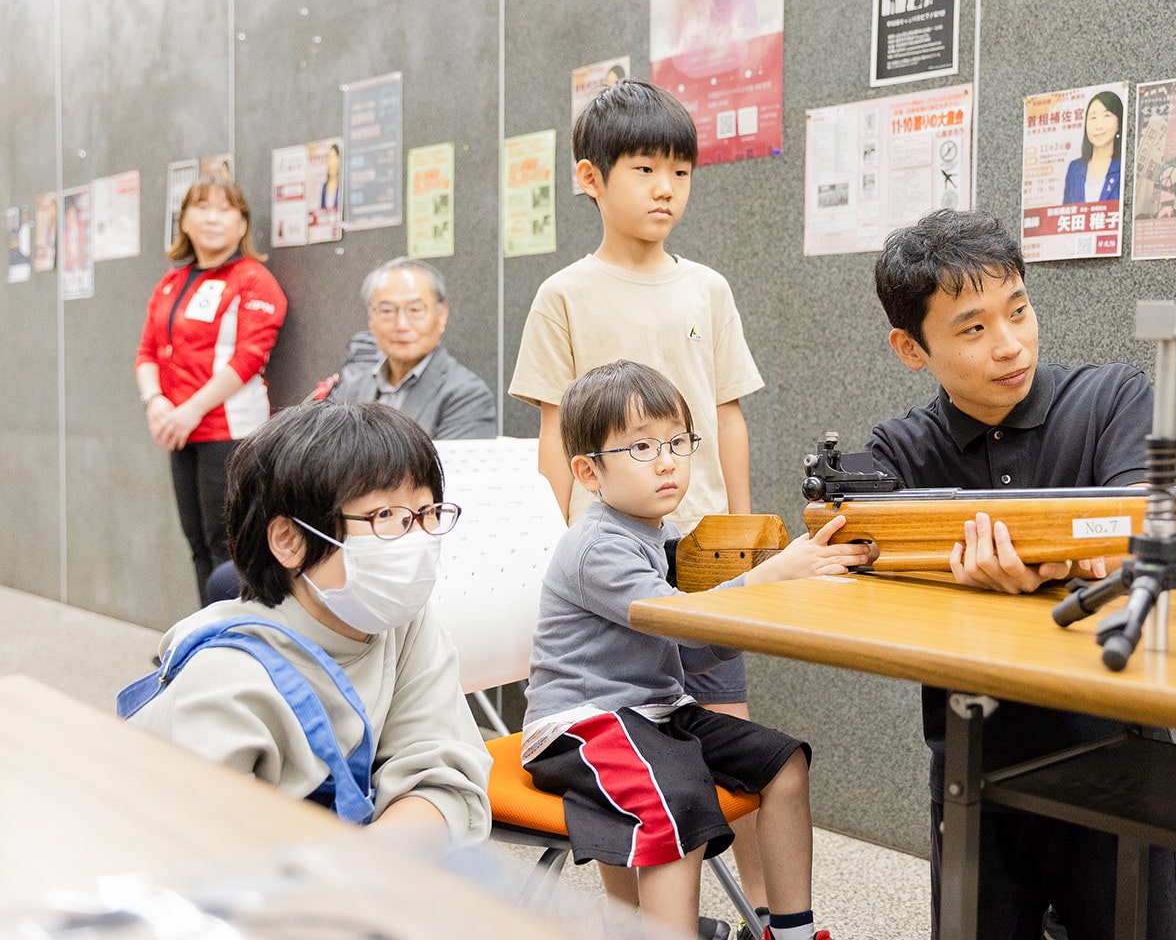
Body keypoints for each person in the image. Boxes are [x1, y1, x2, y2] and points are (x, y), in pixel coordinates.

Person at [865, 209, 1176, 939]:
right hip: (973, 764)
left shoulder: (1110, 399)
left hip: (1118, 751)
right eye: (973, 328)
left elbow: (1138, 534)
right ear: (911, 349)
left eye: (1019, 310)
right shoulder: (899, 453)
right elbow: (854, 563)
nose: (1010, 345)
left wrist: (1046, 565)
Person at [508, 77, 771, 932]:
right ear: (591, 179)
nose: (666, 188)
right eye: (646, 168)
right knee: (635, 745)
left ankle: (769, 912)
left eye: (682, 172)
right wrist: (568, 537)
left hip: (700, 554)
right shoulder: (565, 295)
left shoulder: (709, 289)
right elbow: (554, 430)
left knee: (735, 743)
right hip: (611, 558)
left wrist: (741, 526)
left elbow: (726, 412)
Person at [523, 360, 868, 939]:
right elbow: (682, 624)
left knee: (784, 765)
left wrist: (789, 581)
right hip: (580, 724)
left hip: (653, 714)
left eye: (677, 442)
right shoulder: (597, 547)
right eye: (640, 447)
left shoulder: (659, 535)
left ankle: (790, 931)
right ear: (588, 472)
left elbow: (694, 653)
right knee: (674, 797)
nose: (667, 460)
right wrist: (773, 577)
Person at [121, 401, 492, 847]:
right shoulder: (226, 681)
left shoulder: (402, 622)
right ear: (289, 540)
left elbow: (443, 774)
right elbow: (194, 858)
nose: (414, 541)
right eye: (384, 517)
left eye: (426, 513)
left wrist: (365, 864)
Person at [135, 178, 286, 607]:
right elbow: (147, 351)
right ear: (184, 221)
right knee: (197, 541)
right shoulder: (171, 283)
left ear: (242, 224)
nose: (213, 218)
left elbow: (248, 358)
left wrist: (189, 411)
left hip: (231, 431)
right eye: (201, 207)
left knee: (230, 545)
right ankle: (205, 633)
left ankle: (236, 638)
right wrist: (156, 403)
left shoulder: (254, 280)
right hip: (181, 432)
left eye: (226, 209)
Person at [326, 257, 497, 440]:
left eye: (415, 310)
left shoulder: (466, 396)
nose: (401, 324)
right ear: (371, 318)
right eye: (387, 311)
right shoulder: (350, 391)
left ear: (442, 316)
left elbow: (447, 468)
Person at [1061, 91, 1123, 204]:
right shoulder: (1074, 168)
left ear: (1119, 123)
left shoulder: (1123, 166)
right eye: (1093, 118)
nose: (1098, 126)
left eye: (1106, 116)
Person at [320, 142, 341, 210]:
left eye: (334, 157)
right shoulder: (324, 187)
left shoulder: (342, 185)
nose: (331, 162)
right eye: (329, 158)